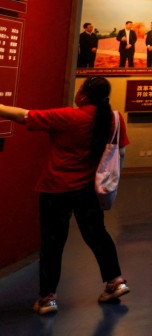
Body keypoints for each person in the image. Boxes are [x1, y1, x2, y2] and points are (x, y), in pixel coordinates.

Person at [0, 77, 131, 315]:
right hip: (89, 191)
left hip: (55, 188)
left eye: (81, 89)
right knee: (97, 235)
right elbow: (120, 152)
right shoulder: (114, 118)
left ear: (86, 94)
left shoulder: (70, 117)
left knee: (53, 242)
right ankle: (116, 281)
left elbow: (24, 116)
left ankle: (48, 298)